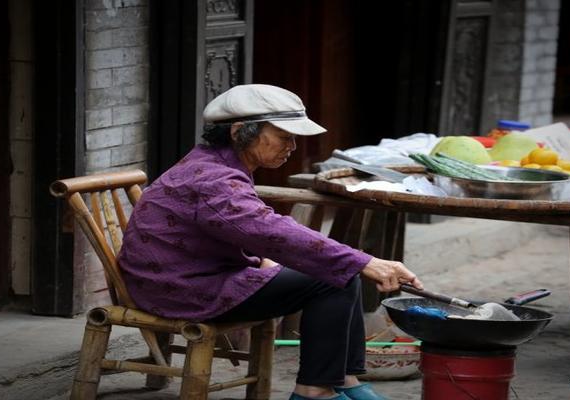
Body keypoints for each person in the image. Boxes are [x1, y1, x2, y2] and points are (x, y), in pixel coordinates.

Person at [118, 84, 423, 400]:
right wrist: (364, 261)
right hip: (181, 289)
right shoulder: (215, 180)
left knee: (341, 271)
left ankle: (346, 381)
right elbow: (268, 230)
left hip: (192, 276)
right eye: (283, 137)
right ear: (240, 132)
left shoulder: (214, 162)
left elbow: (237, 228)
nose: (292, 146)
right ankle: (313, 391)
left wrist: (354, 262)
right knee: (337, 278)